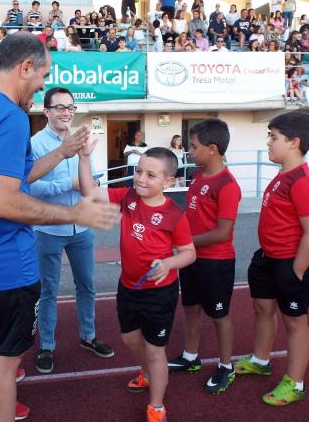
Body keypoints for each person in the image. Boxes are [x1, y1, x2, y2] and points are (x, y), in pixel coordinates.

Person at [0, 31, 120, 422]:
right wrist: (76, 214)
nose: (41, 87)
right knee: (3, 364)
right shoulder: (10, 116)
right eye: (42, 75)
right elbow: (5, 201)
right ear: (25, 68)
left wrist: (61, 152)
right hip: (8, 266)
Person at [78, 144, 196, 422]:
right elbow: (90, 192)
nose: (141, 179)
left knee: (156, 350)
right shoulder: (129, 197)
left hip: (159, 293)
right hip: (129, 286)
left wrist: (167, 263)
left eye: (150, 175)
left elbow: (190, 253)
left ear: (168, 181)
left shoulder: (174, 215)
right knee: (130, 339)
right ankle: (147, 373)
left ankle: (156, 405)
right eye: (138, 171)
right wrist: (83, 158)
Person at [235, 110, 309, 407]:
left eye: (274, 137)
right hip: (268, 257)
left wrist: (296, 270)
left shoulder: (302, 180)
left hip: (292, 261)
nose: (269, 143)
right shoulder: (283, 174)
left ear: (294, 142)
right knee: (262, 308)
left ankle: (295, 384)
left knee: (294, 321)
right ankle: (261, 361)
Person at [30, 87, 115, 375]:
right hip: (49, 229)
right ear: (47, 111)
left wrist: (86, 177)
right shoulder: (36, 144)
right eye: (60, 107)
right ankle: (47, 346)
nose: (67, 112)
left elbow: (89, 180)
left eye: (71, 107)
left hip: (82, 228)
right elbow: (30, 186)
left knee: (87, 285)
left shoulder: (83, 140)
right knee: (49, 290)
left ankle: (88, 336)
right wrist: (68, 184)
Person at [168, 119, 241, 394]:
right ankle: (191, 356)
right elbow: (191, 216)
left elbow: (222, 233)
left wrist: (184, 243)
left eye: (194, 146)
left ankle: (226, 366)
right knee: (191, 308)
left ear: (212, 149)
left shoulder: (227, 185)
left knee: (219, 314)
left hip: (216, 262)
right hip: (192, 258)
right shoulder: (198, 176)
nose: (189, 150)